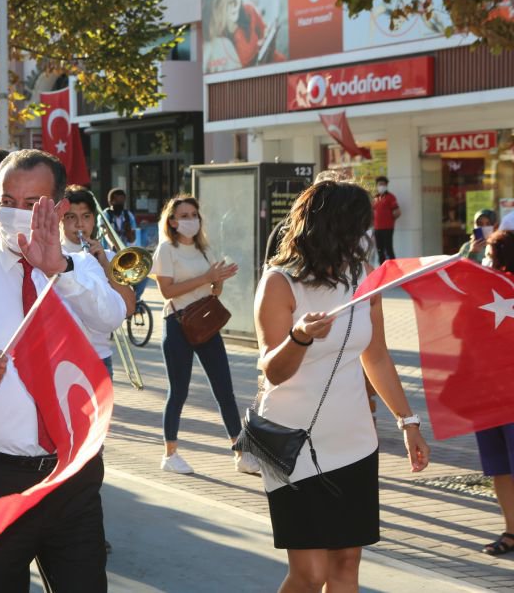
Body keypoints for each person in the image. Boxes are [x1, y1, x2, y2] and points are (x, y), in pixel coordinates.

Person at [0, 149, 125, 591]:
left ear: (60, 208)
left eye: (33, 204)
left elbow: (109, 316)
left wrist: (59, 269)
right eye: (7, 200)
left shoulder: (80, 268)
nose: (16, 213)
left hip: (72, 477)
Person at [255, 179, 429, 591]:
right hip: (292, 442)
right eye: (357, 225)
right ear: (329, 226)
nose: (364, 236)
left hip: (353, 439)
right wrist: (299, 337)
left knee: (347, 564)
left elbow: (377, 356)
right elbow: (272, 371)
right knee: (310, 574)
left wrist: (409, 422)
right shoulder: (279, 282)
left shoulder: (366, 278)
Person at [153, 195, 256, 475]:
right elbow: (167, 291)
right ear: (172, 222)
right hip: (177, 324)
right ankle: (170, 454)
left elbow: (214, 292)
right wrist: (205, 277)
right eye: (184, 216)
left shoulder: (205, 249)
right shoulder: (167, 249)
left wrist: (218, 280)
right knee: (179, 391)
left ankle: (240, 452)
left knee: (225, 389)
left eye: (194, 215)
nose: (190, 220)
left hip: (206, 324)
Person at [60, 185, 135, 377]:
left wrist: (104, 264)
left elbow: (129, 306)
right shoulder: (53, 257)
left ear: (94, 219)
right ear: (59, 220)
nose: (79, 225)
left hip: (99, 356)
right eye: (71, 217)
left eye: (86, 217)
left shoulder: (108, 257)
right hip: (62, 359)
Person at [472, 230, 514, 555]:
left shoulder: (482, 290)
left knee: (500, 466)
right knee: (500, 465)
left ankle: (511, 531)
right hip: (492, 393)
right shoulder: (483, 289)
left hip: (488, 392)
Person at [372, 176, 400, 264]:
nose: (381, 186)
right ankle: (382, 268)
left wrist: (389, 219)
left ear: (386, 185)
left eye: (383, 184)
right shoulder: (375, 198)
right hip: (377, 228)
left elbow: (397, 212)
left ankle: (393, 268)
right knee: (380, 251)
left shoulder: (391, 197)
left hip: (387, 228)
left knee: (388, 249)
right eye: (380, 184)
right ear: (376, 185)